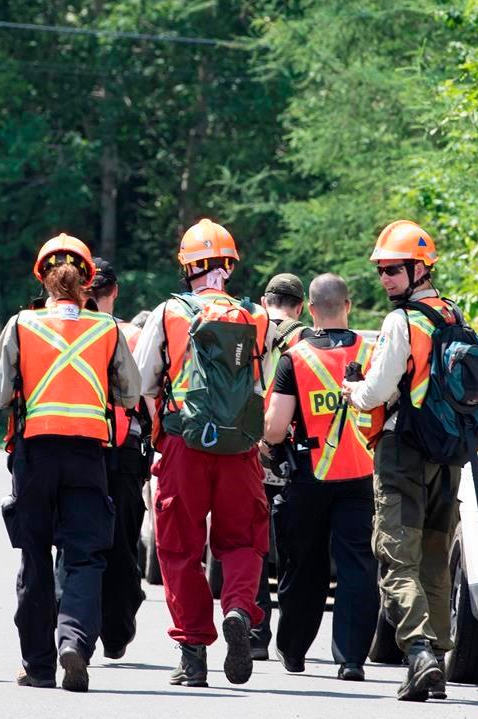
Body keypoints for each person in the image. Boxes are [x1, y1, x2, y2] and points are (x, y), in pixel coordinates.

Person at [0, 233, 140, 692]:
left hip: (35, 455)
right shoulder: (106, 329)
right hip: (90, 455)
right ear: (88, 283)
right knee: (86, 557)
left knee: (35, 559)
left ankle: (39, 666)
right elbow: (129, 393)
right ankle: (74, 641)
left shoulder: (21, 324)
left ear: (43, 279)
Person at [134, 218, 275, 688]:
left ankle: (193, 653)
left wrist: (160, 423)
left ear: (187, 267)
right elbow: (265, 382)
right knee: (243, 540)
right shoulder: (257, 317)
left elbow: (140, 381)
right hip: (240, 446)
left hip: (183, 443)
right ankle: (237, 608)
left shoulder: (170, 312)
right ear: (229, 267)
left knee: (179, 549)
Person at [342, 220, 459, 701]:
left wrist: (351, 390)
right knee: (435, 558)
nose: (386, 278)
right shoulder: (454, 316)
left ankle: (417, 653)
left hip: (403, 453)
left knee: (396, 557)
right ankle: (438, 662)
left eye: (393, 269)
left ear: (419, 269)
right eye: (382, 271)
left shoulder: (402, 321)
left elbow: (376, 392)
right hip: (448, 456)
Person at [262, 273, 380, 681]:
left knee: (303, 567)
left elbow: (275, 428)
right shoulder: (371, 351)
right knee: (357, 568)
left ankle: (293, 651)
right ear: (347, 306)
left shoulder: (295, 357)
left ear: (310, 310)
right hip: (361, 477)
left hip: (308, 477)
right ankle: (351, 659)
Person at [54, 257, 149, 660]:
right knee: (123, 544)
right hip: (125, 450)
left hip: (74, 445)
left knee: (75, 544)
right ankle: (117, 631)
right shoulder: (129, 334)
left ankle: (72, 630)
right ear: (115, 292)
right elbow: (146, 396)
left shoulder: (61, 330)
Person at [251, 272, 309, 661]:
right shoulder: (306, 338)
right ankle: (290, 632)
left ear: (264, 299)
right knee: (292, 549)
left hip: (249, 451)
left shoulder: (247, 327)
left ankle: (256, 633)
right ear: (300, 305)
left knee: (251, 545)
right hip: (290, 454)